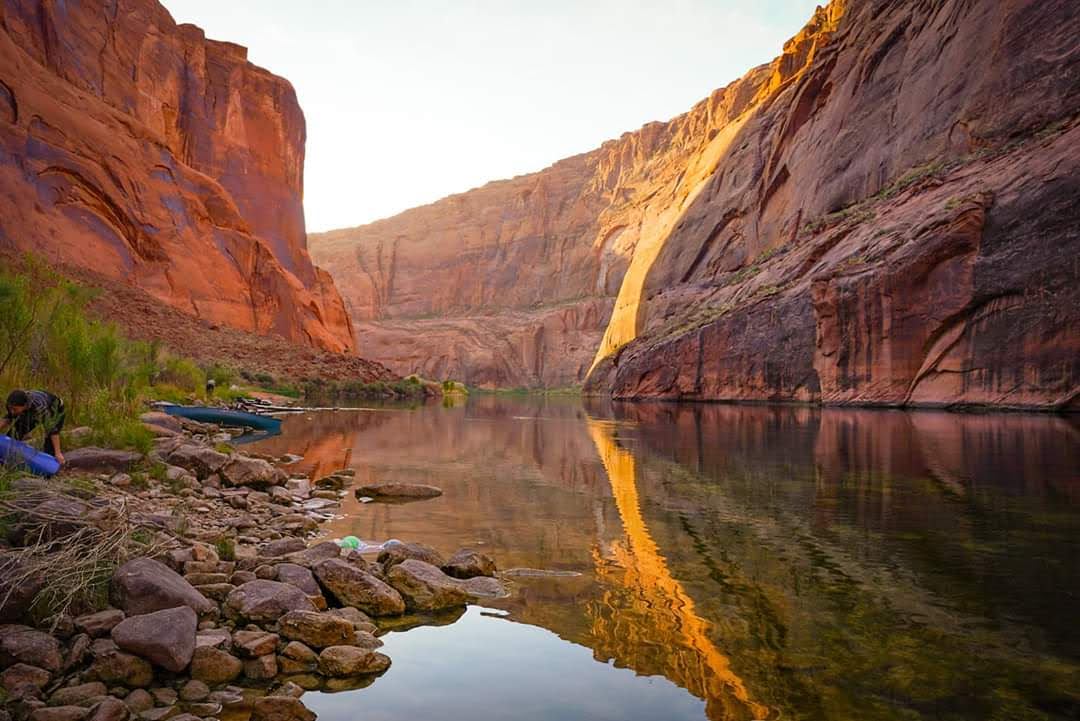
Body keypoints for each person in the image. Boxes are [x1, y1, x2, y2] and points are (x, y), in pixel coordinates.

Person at [0, 389, 65, 464]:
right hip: (30, 409)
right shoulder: (13, 404)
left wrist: (58, 453)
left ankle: (52, 464)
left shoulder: (39, 407)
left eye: (14, 409)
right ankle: (8, 460)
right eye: (10, 408)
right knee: (13, 435)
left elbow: (52, 430)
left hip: (55, 409)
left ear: (25, 405)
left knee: (50, 447)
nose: (12, 411)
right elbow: (7, 418)